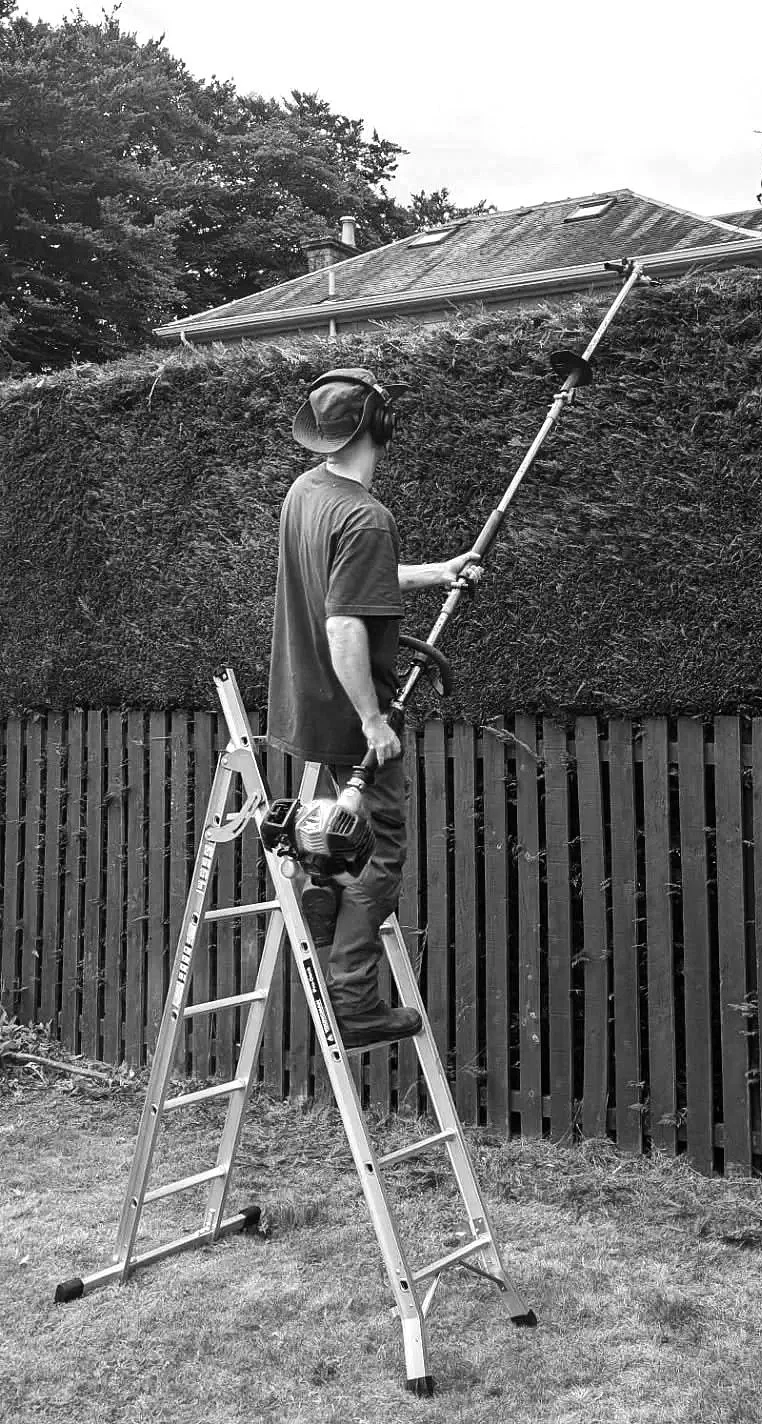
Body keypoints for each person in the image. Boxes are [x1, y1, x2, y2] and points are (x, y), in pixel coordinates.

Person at [267, 367, 479, 1048]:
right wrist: (373, 719)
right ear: (381, 428)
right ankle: (356, 1002)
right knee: (377, 852)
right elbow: (344, 624)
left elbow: (350, 581)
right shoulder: (365, 514)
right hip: (345, 715)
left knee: (333, 832)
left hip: (303, 704)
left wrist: (434, 572)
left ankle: (322, 903)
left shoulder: (307, 493)